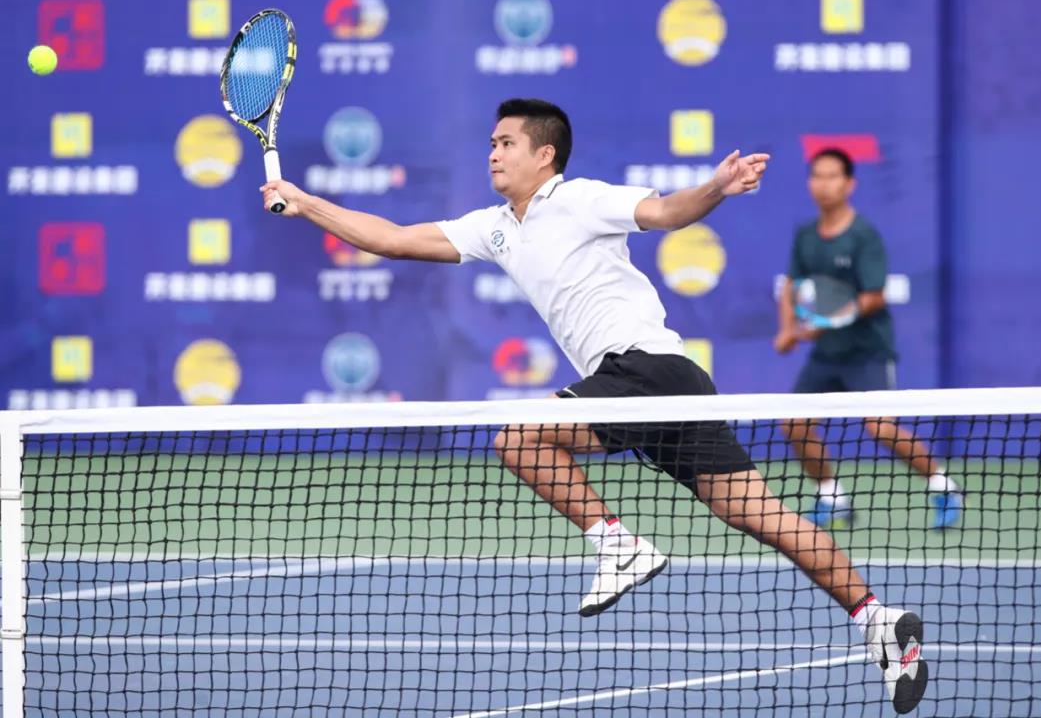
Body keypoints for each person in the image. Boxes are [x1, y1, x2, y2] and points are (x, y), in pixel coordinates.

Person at [262, 99, 928, 712]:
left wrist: (716, 188)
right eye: (491, 144)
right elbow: (392, 237)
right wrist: (307, 203)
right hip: (669, 383)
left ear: (544, 154)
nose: (493, 154)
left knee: (519, 439)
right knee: (764, 517)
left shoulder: (580, 200)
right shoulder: (494, 228)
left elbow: (665, 213)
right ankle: (878, 619)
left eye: (506, 143)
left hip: (645, 368)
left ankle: (619, 544)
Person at [773, 148, 964, 531]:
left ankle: (944, 487)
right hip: (827, 355)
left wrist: (824, 323)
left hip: (868, 351)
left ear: (849, 184)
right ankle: (832, 498)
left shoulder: (864, 235)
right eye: (817, 176)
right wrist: (787, 329)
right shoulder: (806, 235)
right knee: (794, 423)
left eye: (832, 176)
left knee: (881, 428)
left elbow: (874, 296)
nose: (823, 184)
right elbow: (791, 285)